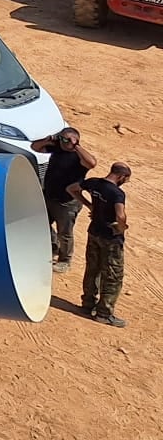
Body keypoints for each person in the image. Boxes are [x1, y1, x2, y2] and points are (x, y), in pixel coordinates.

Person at [32, 126, 97, 273]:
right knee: (41, 223)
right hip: (49, 195)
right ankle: (53, 245)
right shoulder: (57, 149)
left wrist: (76, 146)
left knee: (65, 233)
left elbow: (92, 163)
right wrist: (47, 140)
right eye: (61, 138)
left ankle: (64, 260)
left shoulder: (79, 157)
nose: (62, 142)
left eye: (66, 140)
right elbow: (34, 147)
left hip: (66, 202)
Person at [78, 162, 133, 328]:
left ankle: (87, 304)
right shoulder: (117, 193)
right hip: (110, 238)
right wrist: (121, 227)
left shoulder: (94, 183)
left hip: (94, 231)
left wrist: (90, 206)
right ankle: (104, 313)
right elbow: (120, 215)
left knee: (92, 269)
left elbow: (72, 189)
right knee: (112, 275)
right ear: (121, 176)